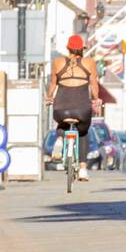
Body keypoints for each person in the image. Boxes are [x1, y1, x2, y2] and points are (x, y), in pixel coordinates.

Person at [47, 33, 100, 181]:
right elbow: (94, 86)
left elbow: (52, 84)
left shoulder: (57, 62)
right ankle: (83, 169)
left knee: (61, 125)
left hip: (61, 107)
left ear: (68, 48)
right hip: (82, 108)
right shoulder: (89, 62)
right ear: (82, 49)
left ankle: (60, 139)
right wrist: (96, 99)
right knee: (83, 132)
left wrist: (49, 97)